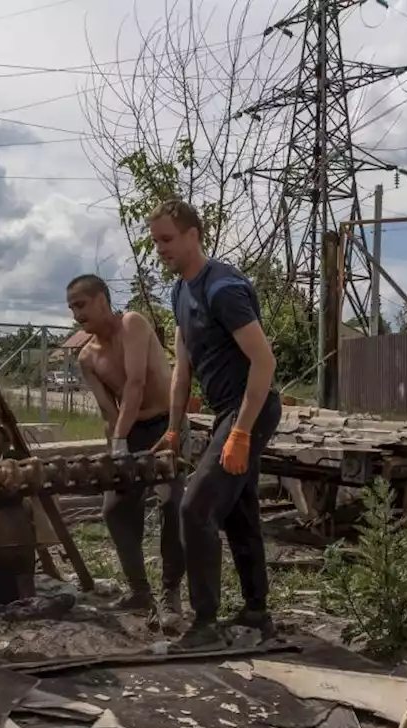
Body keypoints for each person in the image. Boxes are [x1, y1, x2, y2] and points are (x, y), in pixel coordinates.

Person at [148, 199, 282, 646]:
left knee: (196, 507)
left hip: (251, 406)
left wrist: (241, 431)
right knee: (239, 511)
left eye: (167, 239)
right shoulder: (180, 291)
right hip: (225, 411)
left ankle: (205, 623)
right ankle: (256, 610)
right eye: (156, 242)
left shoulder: (222, 287)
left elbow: (264, 362)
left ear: (192, 235)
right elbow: (182, 369)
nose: (161, 249)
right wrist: (172, 428)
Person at [66, 274, 185, 614]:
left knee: (173, 505)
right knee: (115, 510)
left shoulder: (132, 324)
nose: (77, 314)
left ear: (102, 300)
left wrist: (119, 437)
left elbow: (135, 384)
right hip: (129, 433)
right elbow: (108, 411)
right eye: (72, 308)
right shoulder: (87, 358)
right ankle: (139, 591)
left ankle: (171, 592)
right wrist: (114, 448)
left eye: (81, 304)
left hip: (166, 426)